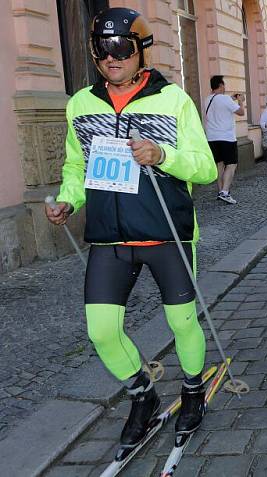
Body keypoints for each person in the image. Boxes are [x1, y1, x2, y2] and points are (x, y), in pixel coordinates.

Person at [45, 7, 217, 450]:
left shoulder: (173, 99)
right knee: (101, 330)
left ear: (141, 50)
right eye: (102, 48)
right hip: (109, 235)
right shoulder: (80, 103)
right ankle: (142, 396)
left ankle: (193, 392)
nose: (111, 57)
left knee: (181, 322)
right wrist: (69, 198)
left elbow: (205, 169)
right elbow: (76, 164)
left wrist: (163, 156)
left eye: (121, 46)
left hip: (166, 231)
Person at [204, 75, 244, 204]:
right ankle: (225, 192)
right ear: (221, 85)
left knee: (219, 165)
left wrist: (231, 98)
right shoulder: (225, 99)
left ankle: (220, 191)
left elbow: (221, 104)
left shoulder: (207, 99)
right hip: (226, 137)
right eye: (224, 85)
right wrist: (240, 101)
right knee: (231, 164)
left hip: (212, 137)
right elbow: (241, 112)